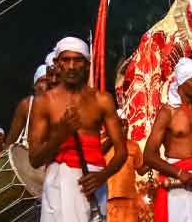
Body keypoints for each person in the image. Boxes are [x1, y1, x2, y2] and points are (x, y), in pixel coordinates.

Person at [27, 37, 128, 222]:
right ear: (57, 64)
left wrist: (102, 176)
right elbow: (34, 159)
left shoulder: (102, 100)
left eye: (78, 60)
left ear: (87, 65)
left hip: (93, 182)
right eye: (66, 60)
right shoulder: (44, 102)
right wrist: (60, 135)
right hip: (59, 183)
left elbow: (121, 152)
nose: (72, 66)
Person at [143, 57, 192, 222]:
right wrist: (179, 173)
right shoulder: (167, 113)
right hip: (177, 182)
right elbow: (148, 156)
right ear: (182, 82)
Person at [105, 120, 147, 222]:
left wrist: (152, 162)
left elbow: (141, 170)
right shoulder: (104, 145)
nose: (125, 128)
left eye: (126, 125)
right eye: (121, 124)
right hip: (109, 199)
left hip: (129, 200)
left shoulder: (134, 146)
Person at [8, 59, 54, 146]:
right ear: (35, 85)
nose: (47, 85)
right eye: (42, 81)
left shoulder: (61, 105)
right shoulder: (26, 105)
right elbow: (10, 141)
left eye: (49, 81)